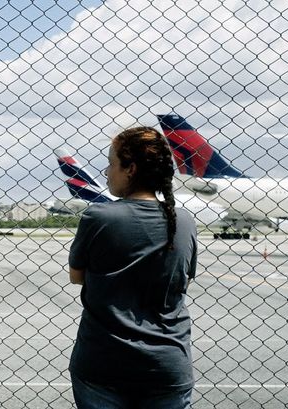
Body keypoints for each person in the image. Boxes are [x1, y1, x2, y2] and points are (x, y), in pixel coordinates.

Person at [67, 126, 197, 408]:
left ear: (130, 169)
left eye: (112, 163)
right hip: (167, 363)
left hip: (104, 363)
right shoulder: (184, 221)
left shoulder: (98, 216)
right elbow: (183, 279)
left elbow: (76, 276)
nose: (106, 171)